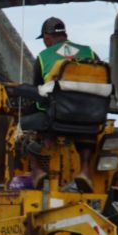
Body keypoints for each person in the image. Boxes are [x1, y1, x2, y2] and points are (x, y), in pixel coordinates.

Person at [21, 17, 99, 192]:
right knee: (86, 129)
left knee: (26, 116)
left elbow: (38, 92)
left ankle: (37, 170)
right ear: (65, 35)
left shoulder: (43, 57)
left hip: (58, 117)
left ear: (47, 38)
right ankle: (85, 171)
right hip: (91, 117)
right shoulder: (89, 52)